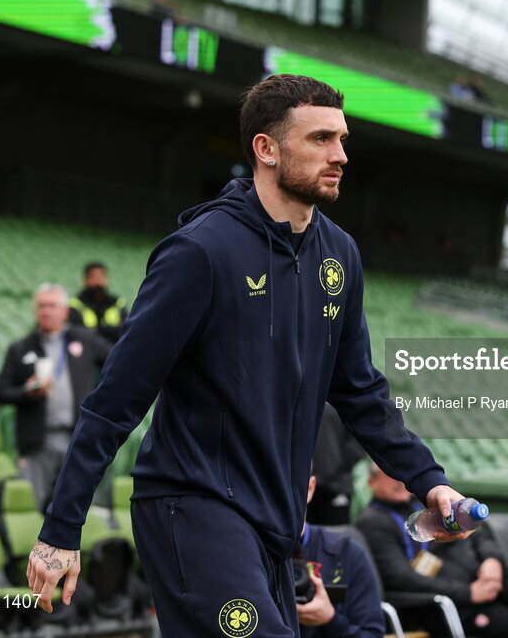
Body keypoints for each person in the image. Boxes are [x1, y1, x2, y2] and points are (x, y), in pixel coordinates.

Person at [26, 75, 472, 636]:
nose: (340, 155)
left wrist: (430, 481)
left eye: (341, 138)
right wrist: (61, 530)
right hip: (192, 507)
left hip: (276, 521)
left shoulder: (340, 254)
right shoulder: (201, 252)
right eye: (320, 139)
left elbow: (360, 392)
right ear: (266, 149)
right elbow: (115, 400)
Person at [357, 464, 508, 638]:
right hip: (451, 600)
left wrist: (491, 562)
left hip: (488, 576)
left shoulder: (424, 503)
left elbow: (477, 537)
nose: (397, 480)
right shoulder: (374, 522)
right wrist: (470, 592)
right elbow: (401, 578)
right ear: (371, 482)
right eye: (387, 474)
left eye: (399, 473)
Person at [0, 284, 111, 511]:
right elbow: (2, 393)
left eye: (52, 306)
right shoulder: (20, 348)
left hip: (76, 437)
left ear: (65, 311)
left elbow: (117, 362)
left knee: (75, 505)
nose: (46, 311)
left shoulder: (85, 340)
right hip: (38, 441)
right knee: (31, 505)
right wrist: (26, 392)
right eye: (41, 306)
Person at [298, 471, 384, 638]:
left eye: (289, 483)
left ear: (309, 487)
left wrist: (330, 620)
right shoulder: (242, 554)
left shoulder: (347, 553)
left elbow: (372, 634)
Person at [307, 403, 365, 525]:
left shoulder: (345, 400)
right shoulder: (302, 398)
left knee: (336, 538)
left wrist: (337, 463)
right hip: (305, 486)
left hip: (337, 486)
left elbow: (360, 441)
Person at [68, 261, 129, 344]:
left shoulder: (118, 303)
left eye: (101, 277)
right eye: (93, 277)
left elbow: (125, 330)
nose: (98, 282)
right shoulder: (75, 304)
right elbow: (75, 331)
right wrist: (109, 331)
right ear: (85, 280)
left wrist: (95, 330)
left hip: (113, 351)